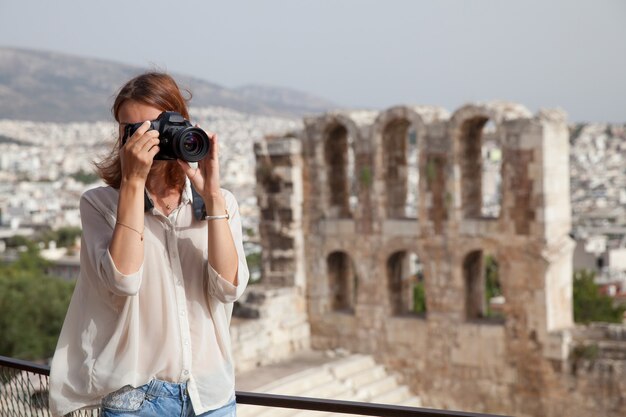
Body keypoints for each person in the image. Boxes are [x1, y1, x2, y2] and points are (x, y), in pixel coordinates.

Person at [49, 71, 249, 417]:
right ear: (121, 137)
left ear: (180, 124)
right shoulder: (99, 204)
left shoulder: (219, 202)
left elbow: (228, 288)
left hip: (210, 395)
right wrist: (132, 182)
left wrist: (214, 201)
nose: (148, 140)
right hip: (137, 400)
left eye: (156, 127)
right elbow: (123, 280)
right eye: (135, 131)